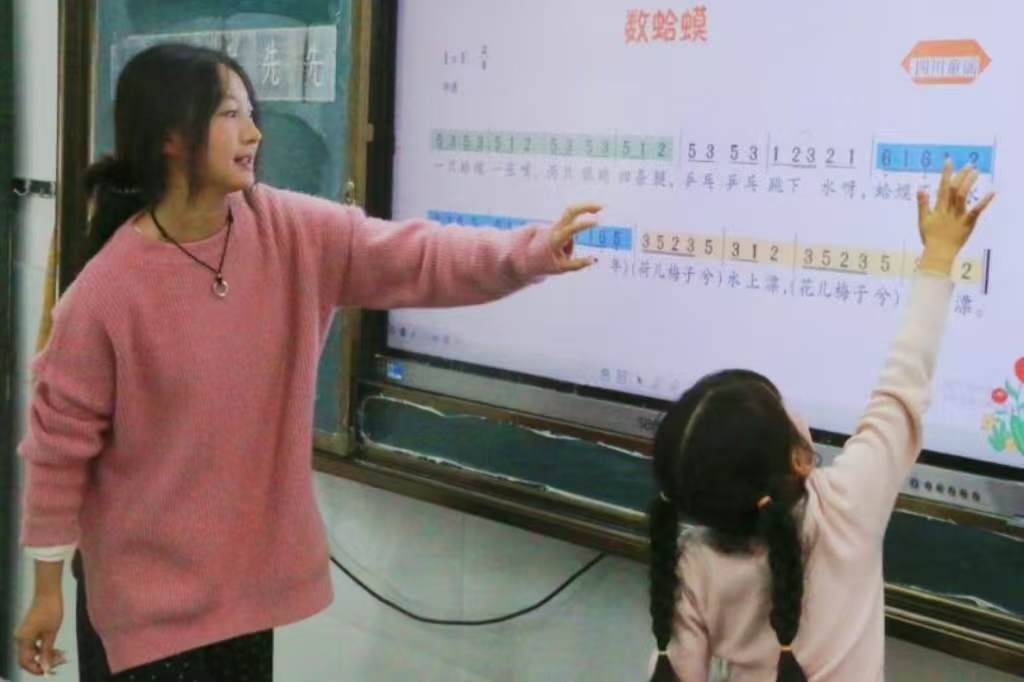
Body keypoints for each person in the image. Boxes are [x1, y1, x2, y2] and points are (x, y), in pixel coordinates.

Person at [14, 43, 601, 680]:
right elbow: (58, 449)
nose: (253, 133)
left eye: (251, 113)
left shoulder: (287, 229)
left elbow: (418, 256)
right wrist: (45, 591)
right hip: (145, 609)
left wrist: (531, 252)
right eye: (230, 114)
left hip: (243, 600)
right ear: (171, 138)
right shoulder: (106, 292)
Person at [646, 159, 994, 682]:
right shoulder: (846, 506)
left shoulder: (692, 563)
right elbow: (903, 384)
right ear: (798, 458)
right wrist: (940, 253)